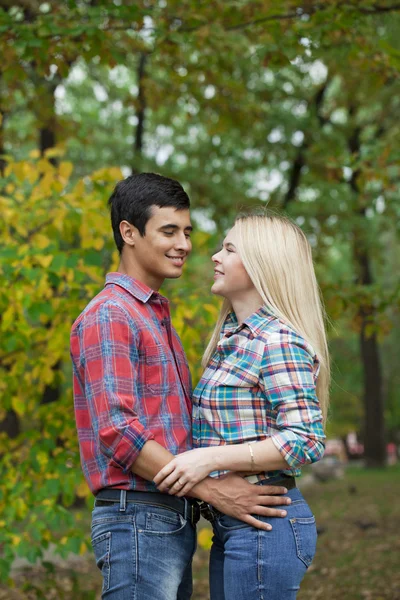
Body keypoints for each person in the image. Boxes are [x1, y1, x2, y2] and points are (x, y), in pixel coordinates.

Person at [70, 176, 289, 600]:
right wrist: (210, 488)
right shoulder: (111, 314)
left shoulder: (152, 313)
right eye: (168, 231)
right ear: (128, 233)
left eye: (187, 232)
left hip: (166, 515)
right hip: (137, 515)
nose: (184, 244)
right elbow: (118, 431)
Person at [154, 211, 330, 600]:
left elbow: (306, 440)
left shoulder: (277, 341)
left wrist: (209, 460)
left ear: (262, 264)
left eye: (229, 248)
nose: (214, 256)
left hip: (266, 528)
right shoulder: (233, 339)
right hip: (235, 525)